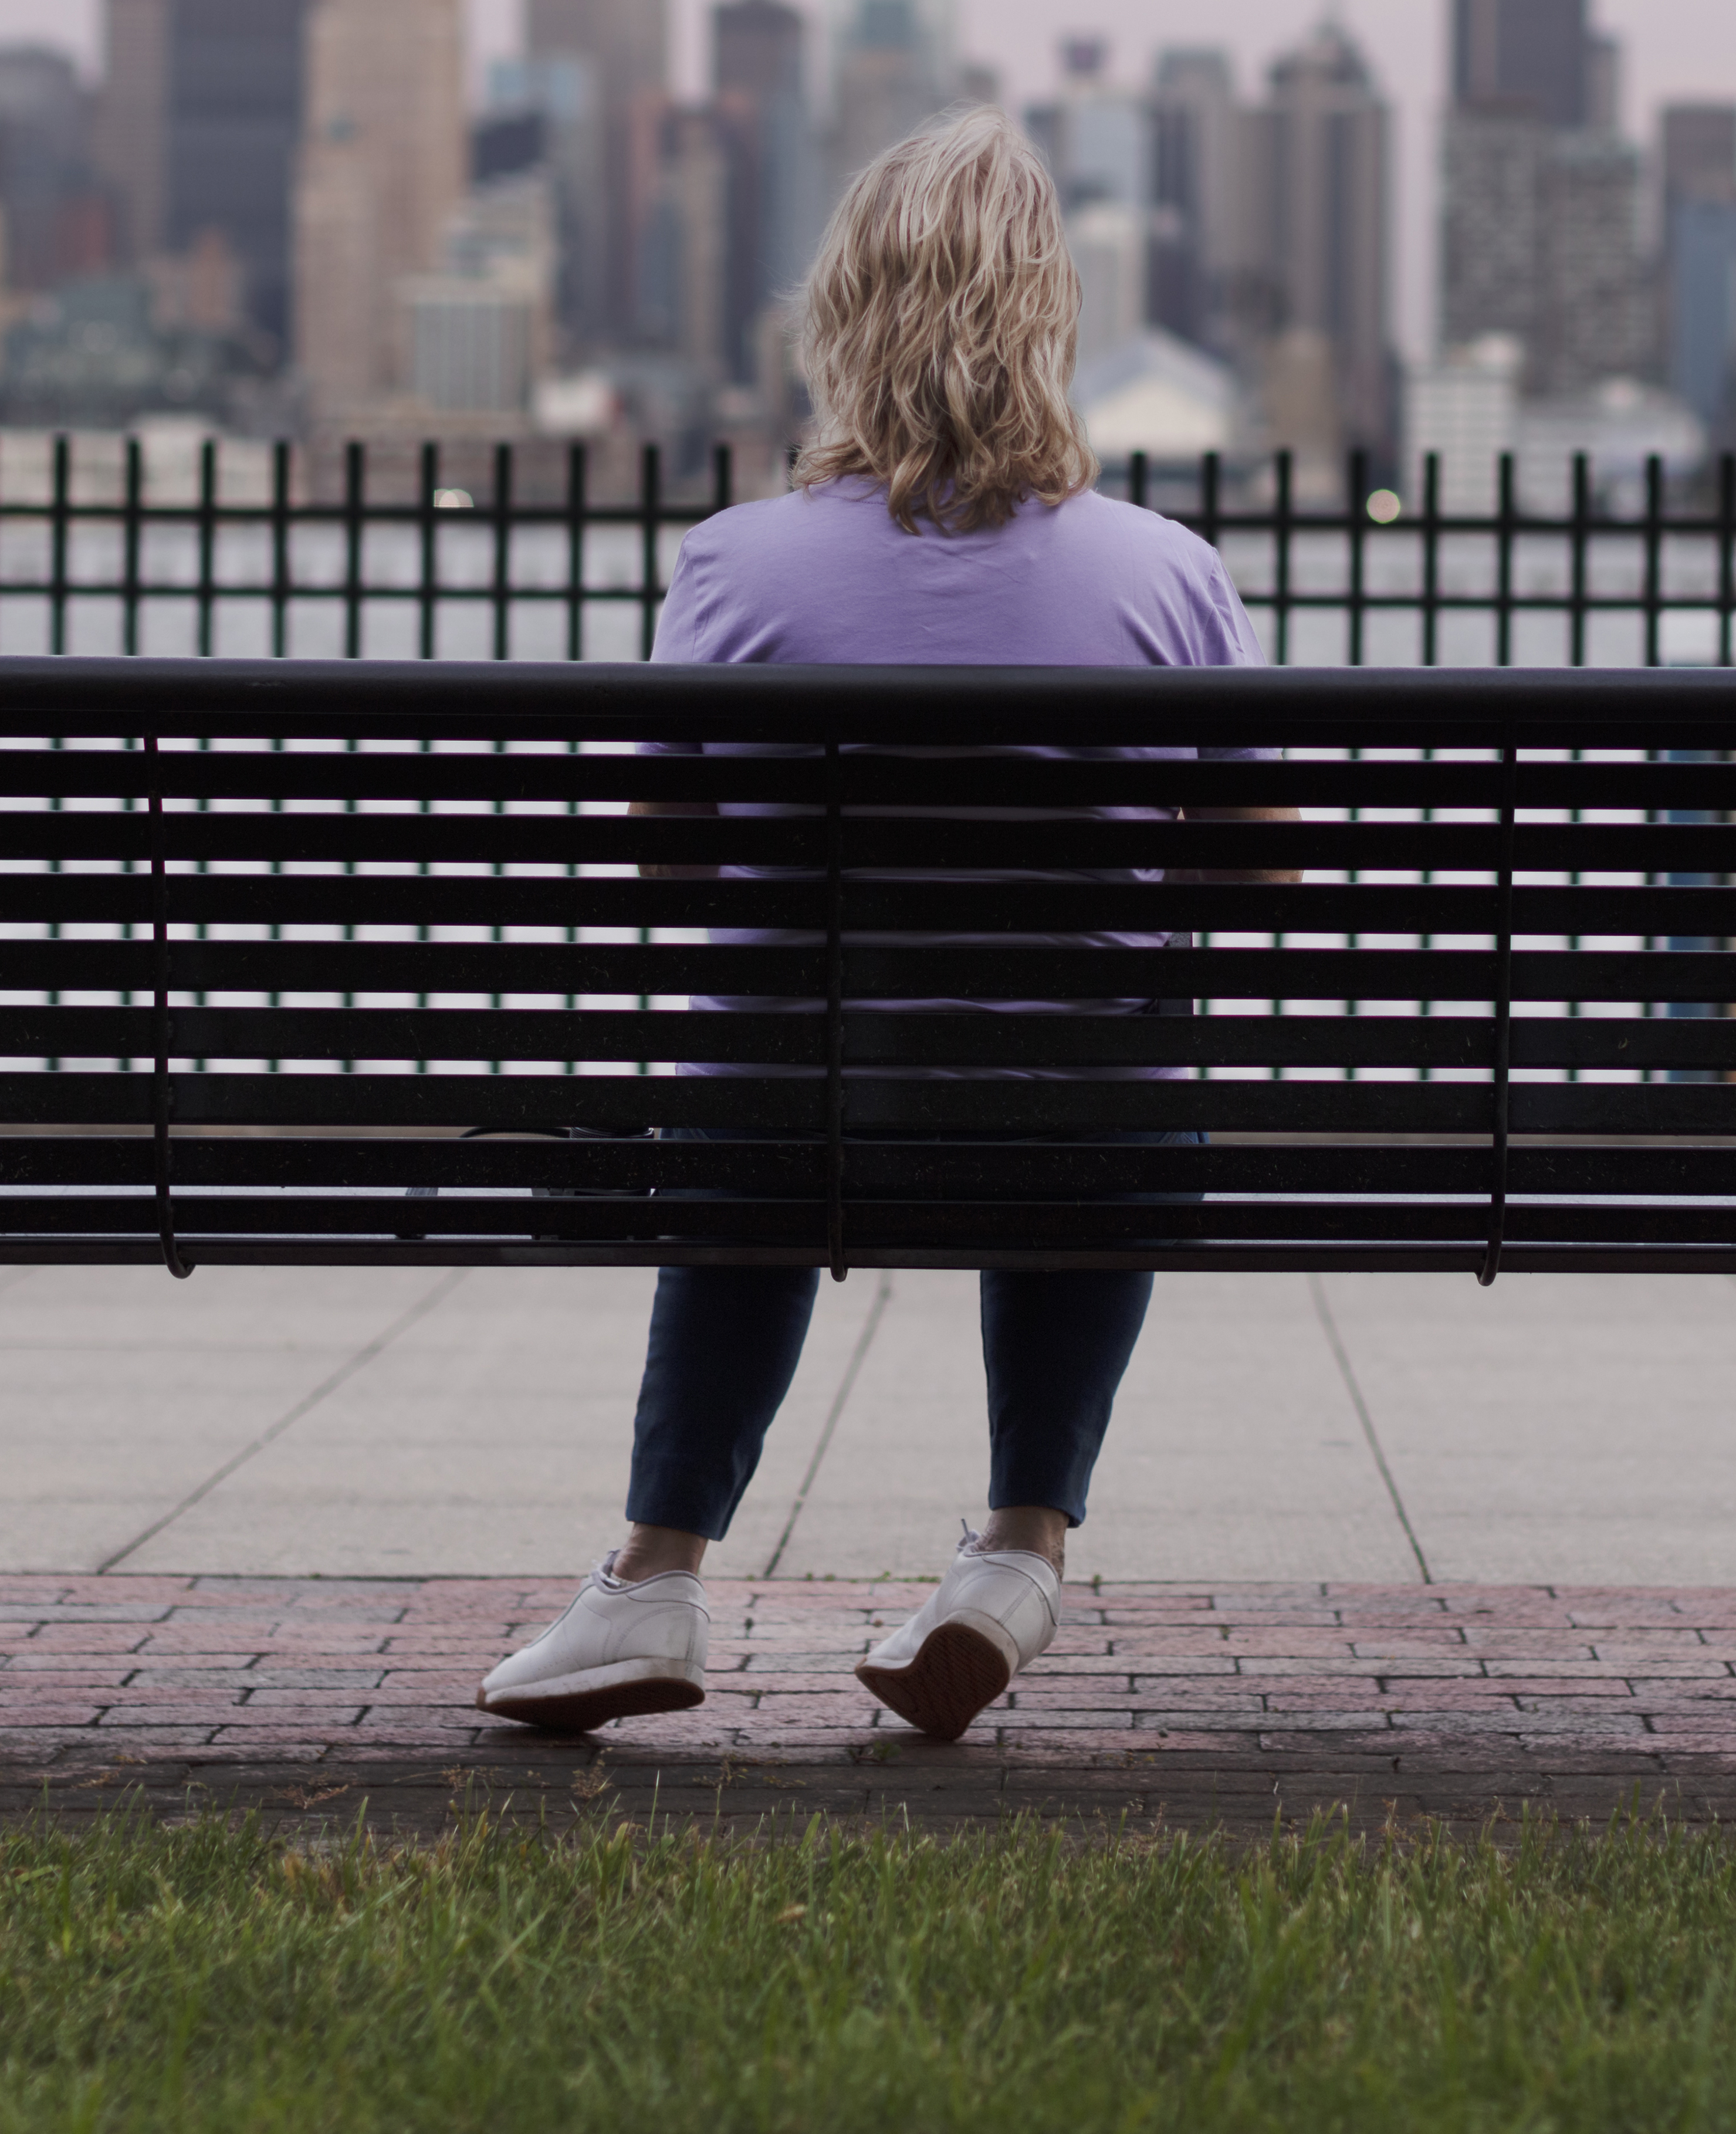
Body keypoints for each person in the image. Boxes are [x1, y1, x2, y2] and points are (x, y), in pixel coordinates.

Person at [478, 108, 1288, 1743]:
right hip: (1085, 1134)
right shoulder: (1168, 575)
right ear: (1053, 325)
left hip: (788, 1129)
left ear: (841, 322)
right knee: (1096, 1066)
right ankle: (1019, 1547)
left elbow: (666, 868)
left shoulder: (735, 568)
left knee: (758, 1069)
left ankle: (653, 1576)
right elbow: (1257, 873)